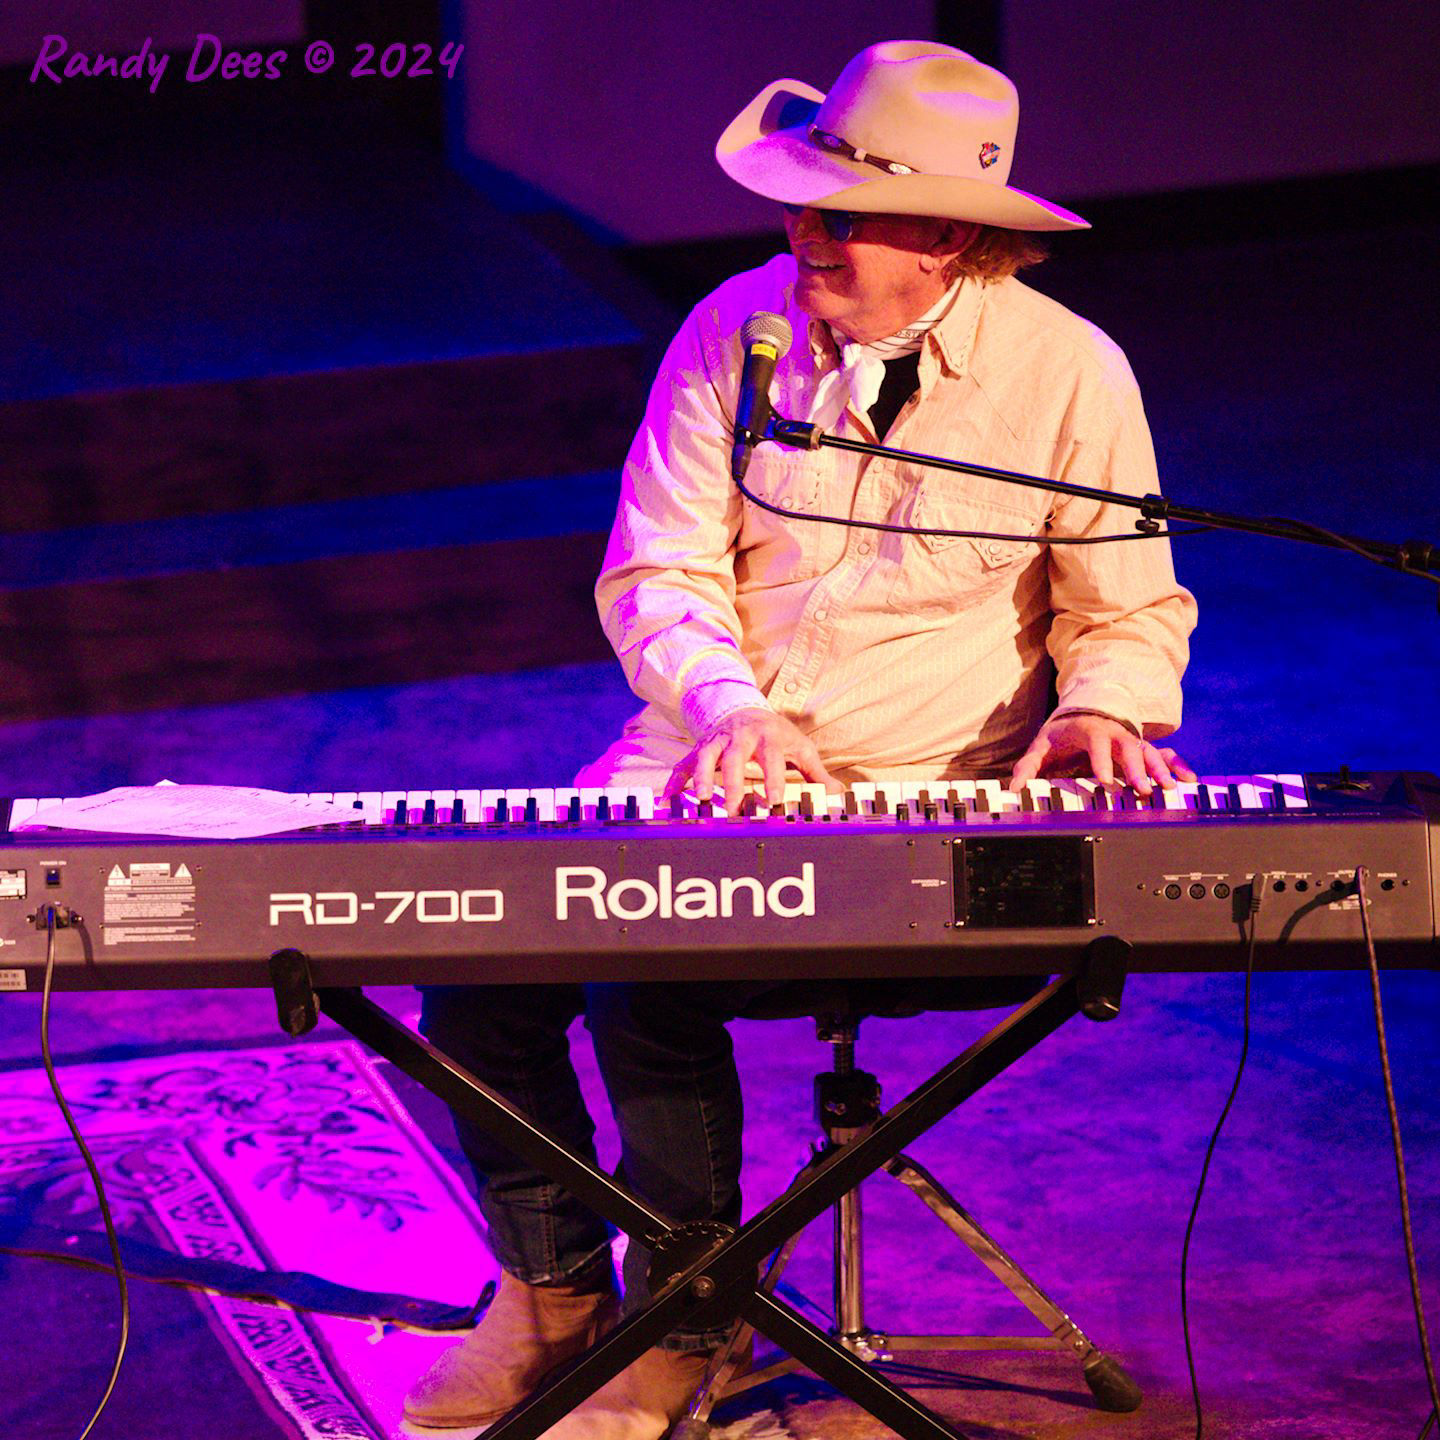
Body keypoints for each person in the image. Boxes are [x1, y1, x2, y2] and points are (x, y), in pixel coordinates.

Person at [404, 40, 1197, 1439]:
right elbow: (658, 569)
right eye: (799, 204)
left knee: (641, 966)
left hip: (925, 795)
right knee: (473, 976)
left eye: (840, 212)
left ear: (946, 233)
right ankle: (551, 1294)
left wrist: (1100, 709)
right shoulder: (733, 329)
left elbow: (1126, 605)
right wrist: (731, 707)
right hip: (705, 757)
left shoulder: (1071, 374)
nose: (801, 232)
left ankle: (689, 1302)